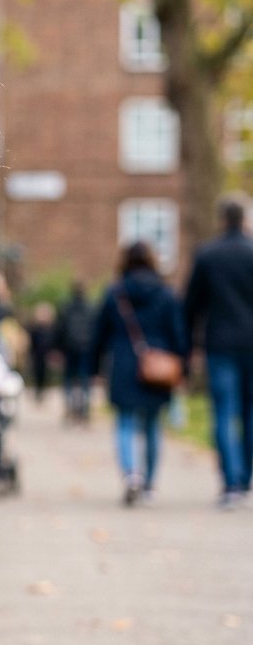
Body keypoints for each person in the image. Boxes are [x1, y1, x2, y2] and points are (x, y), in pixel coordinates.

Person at [90, 241, 185, 505]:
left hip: (123, 365)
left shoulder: (115, 292)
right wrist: (182, 367)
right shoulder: (166, 293)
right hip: (159, 366)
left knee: (125, 422)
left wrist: (94, 368)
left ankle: (131, 474)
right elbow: (178, 334)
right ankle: (150, 485)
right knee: (153, 425)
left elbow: (99, 334)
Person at [183, 194, 253, 507]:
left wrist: (188, 346)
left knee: (224, 413)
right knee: (250, 413)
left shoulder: (208, 255)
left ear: (222, 219)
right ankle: (246, 477)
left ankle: (231, 483)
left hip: (220, 345)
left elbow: (191, 305)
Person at [56, 281, 94, 422]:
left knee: (68, 379)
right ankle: (84, 409)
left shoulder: (66, 308)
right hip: (86, 348)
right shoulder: (90, 308)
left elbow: (60, 329)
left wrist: (58, 348)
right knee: (85, 380)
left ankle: (69, 407)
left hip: (69, 348)